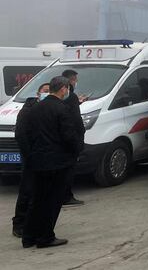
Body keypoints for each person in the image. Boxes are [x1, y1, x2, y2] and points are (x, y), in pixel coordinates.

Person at [22, 76, 81, 248]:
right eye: (67, 89)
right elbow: (69, 136)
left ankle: (28, 237)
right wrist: (76, 150)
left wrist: (31, 155)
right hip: (58, 163)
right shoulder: (62, 109)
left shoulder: (35, 108)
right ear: (63, 88)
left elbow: (27, 134)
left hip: (38, 161)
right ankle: (45, 237)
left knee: (37, 200)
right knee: (52, 201)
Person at [12, 83, 49, 237]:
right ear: (38, 93)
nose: (47, 93)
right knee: (27, 190)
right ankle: (19, 223)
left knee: (41, 192)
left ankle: (34, 222)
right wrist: (29, 156)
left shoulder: (48, 109)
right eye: (44, 91)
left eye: (49, 91)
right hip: (32, 157)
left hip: (45, 157)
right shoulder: (27, 111)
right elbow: (21, 135)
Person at [60, 69, 85, 206]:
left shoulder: (60, 97)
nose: (76, 82)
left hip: (59, 140)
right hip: (70, 140)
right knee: (69, 170)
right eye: (75, 79)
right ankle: (66, 197)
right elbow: (76, 120)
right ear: (70, 81)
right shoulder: (71, 97)